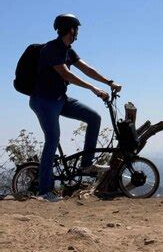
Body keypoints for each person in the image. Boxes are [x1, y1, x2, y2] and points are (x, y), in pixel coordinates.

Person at [29, 14, 122, 202]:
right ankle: (44, 191)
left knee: (94, 117)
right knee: (52, 139)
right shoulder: (51, 49)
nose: (77, 33)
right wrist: (93, 88)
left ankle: (86, 164)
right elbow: (67, 75)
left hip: (60, 99)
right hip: (44, 101)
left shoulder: (68, 51)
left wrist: (108, 82)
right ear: (69, 29)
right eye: (75, 29)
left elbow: (87, 69)